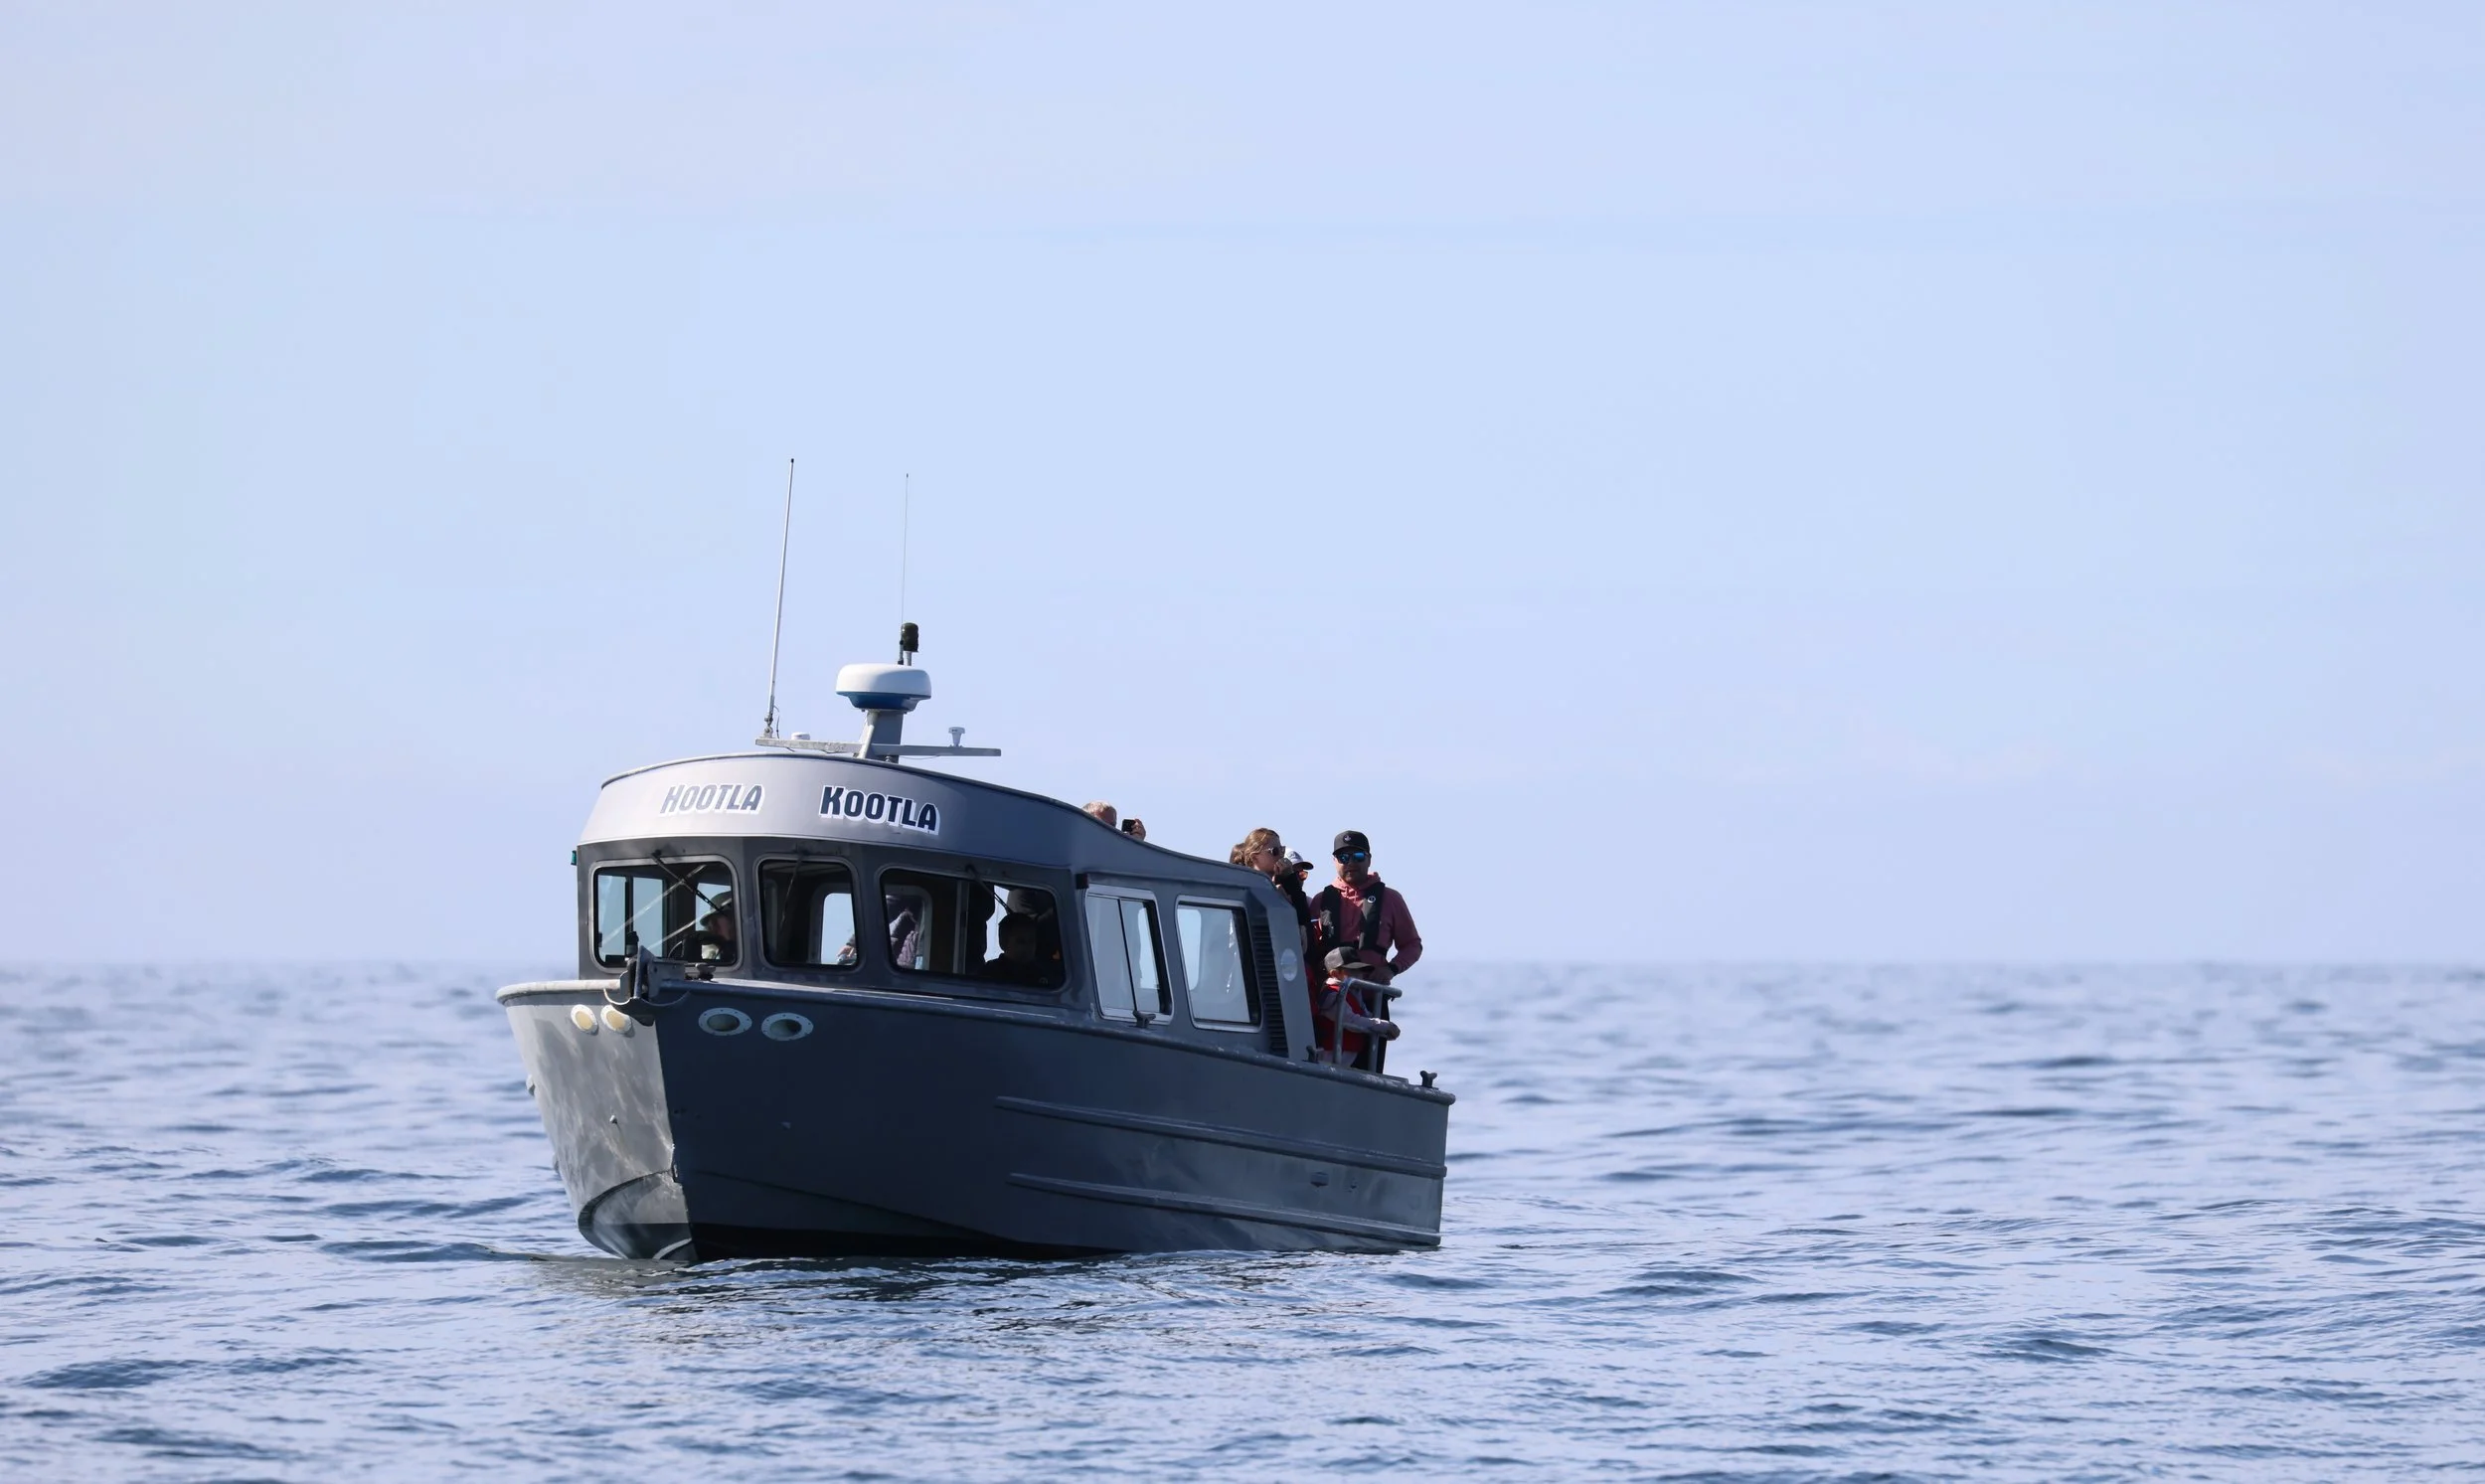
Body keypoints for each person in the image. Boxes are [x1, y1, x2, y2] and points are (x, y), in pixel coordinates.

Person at [1310, 830, 1421, 986]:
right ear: (1334, 861)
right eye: (1343, 858)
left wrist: (1391, 969)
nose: (1350, 863)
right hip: (1330, 998)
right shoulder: (1320, 900)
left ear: (1369, 859)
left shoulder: (1391, 898)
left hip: (1373, 996)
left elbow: (1412, 945)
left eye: (1358, 856)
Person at [1309, 946, 1401, 1069]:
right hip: (1329, 1060)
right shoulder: (1332, 994)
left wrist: (1384, 1028)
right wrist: (1381, 1025)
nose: (1359, 975)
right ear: (1335, 974)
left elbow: (1365, 1015)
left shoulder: (1353, 993)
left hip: (1346, 1061)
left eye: (1361, 971)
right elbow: (1350, 1019)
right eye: (1352, 971)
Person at [1233, 827, 1313, 957]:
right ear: (1254, 858)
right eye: (1275, 851)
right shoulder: (1245, 888)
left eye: (1282, 850)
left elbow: (1304, 919)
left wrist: (1290, 878)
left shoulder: (1285, 885)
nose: (1281, 856)